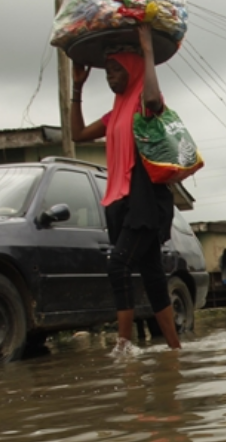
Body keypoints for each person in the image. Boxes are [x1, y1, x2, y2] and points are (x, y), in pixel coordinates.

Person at [71, 24, 181, 354]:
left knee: (117, 264)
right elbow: (77, 134)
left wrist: (147, 51)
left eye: (117, 70)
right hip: (120, 201)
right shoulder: (114, 113)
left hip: (146, 202)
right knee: (151, 274)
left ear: (132, 69)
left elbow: (151, 97)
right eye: (107, 72)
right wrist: (78, 88)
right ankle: (175, 350)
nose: (110, 77)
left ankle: (123, 346)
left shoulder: (145, 104)